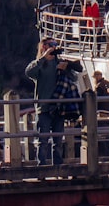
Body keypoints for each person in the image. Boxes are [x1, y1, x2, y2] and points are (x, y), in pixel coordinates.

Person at [25, 37, 83, 165]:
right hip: (44, 107)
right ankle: (42, 166)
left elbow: (74, 77)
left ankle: (58, 166)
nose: (53, 47)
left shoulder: (60, 61)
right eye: (50, 44)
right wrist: (43, 58)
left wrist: (65, 68)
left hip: (59, 107)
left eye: (55, 44)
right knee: (43, 140)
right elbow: (29, 72)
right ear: (43, 47)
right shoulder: (40, 64)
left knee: (58, 141)